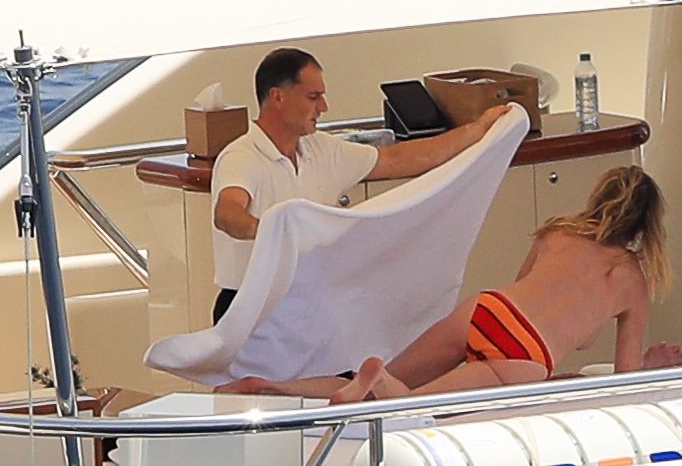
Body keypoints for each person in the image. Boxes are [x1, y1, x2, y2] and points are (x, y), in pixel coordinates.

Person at [216, 165, 682, 401]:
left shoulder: (558, 232)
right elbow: (624, 385)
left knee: (379, 378)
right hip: (525, 351)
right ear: (650, 225)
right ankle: (379, 383)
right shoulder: (632, 279)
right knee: (409, 408)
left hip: (490, 309)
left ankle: (276, 387)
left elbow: (524, 291)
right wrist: (649, 366)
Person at [211, 47, 509, 323]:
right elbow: (227, 214)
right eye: (313, 97)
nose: (323, 106)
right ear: (278, 97)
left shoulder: (322, 149)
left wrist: (478, 129)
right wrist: (272, 231)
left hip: (309, 303)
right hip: (250, 307)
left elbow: (399, 159)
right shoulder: (241, 156)